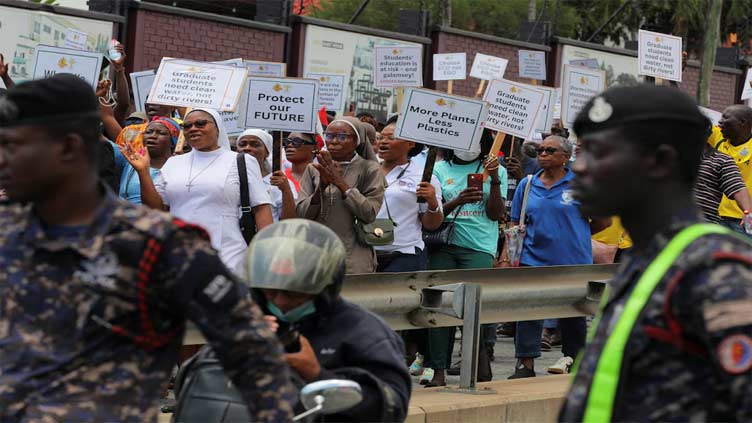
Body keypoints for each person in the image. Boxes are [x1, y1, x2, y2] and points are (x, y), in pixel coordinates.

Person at [0, 74, 295, 421]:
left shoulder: (160, 247)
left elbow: (256, 358)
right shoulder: (7, 232)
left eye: (12, 146)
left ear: (68, 147)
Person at [561, 84, 752, 422]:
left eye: (598, 152)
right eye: (580, 151)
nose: (578, 166)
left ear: (661, 161)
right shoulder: (645, 261)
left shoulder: (717, 270)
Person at [244, 219, 411, 422]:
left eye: (293, 294)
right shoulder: (251, 324)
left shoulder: (364, 332)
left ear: (323, 288)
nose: (280, 302)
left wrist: (316, 374)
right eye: (270, 293)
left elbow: (392, 409)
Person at [124, 108, 273, 270]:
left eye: (200, 124)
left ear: (218, 128)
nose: (193, 128)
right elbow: (157, 209)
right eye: (187, 126)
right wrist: (143, 172)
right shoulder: (173, 163)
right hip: (179, 252)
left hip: (228, 253)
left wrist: (264, 252)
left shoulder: (242, 161)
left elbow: (261, 208)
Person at [503, 135, 601, 379]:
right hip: (532, 258)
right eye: (540, 150)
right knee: (528, 312)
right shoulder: (527, 184)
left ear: (565, 157)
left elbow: (601, 221)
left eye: (549, 150)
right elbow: (516, 221)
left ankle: (574, 359)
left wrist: (573, 234)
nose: (542, 154)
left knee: (573, 314)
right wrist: (507, 255)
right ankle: (525, 363)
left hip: (573, 260)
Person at [422, 129, 507, 387]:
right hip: (444, 246)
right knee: (440, 309)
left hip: (479, 248)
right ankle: (438, 371)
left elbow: (496, 214)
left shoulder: (494, 169)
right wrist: (458, 200)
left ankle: (476, 362)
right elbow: (433, 211)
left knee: (473, 310)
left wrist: (493, 180)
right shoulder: (440, 170)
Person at [296, 117, 385, 274]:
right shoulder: (313, 168)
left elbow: (369, 213)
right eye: (329, 136)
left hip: (353, 255)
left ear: (357, 140)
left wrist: (340, 183)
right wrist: (321, 187)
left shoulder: (369, 169)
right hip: (317, 253)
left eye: (343, 137)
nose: (334, 141)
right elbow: (302, 214)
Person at [374, 115, 443, 272]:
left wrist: (432, 203)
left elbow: (431, 225)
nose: (383, 142)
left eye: (391, 137)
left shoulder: (424, 177)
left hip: (404, 256)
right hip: (365, 253)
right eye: (380, 137)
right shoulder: (368, 170)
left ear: (410, 144)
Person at [115, 116, 180, 204]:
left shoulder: (177, 169)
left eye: (160, 133)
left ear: (173, 141)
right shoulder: (129, 161)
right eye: (148, 132)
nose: (153, 136)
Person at [236, 128, 297, 222]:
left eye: (255, 145)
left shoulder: (278, 182)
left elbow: (289, 221)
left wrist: (286, 190)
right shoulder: (228, 178)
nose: (247, 148)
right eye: (242, 144)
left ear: (267, 152)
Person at [708, 105, 752, 233]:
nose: (720, 121)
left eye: (726, 117)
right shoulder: (718, 137)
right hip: (716, 217)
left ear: (742, 123)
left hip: (743, 220)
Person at [696, 143, 752, 223]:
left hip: (703, 226)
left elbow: (738, 189)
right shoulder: (674, 157)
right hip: (674, 221)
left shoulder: (722, 160)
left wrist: (748, 213)